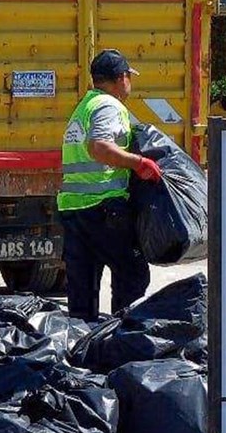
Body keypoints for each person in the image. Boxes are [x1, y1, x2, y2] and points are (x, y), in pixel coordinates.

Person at [57, 49, 163, 321]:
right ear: (121, 78)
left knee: (82, 290)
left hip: (75, 211)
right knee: (132, 273)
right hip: (104, 209)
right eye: (129, 77)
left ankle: (83, 346)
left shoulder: (84, 107)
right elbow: (100, 147)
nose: (130, 83)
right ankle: (121, 337)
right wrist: (139, 163)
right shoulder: (108, 105)